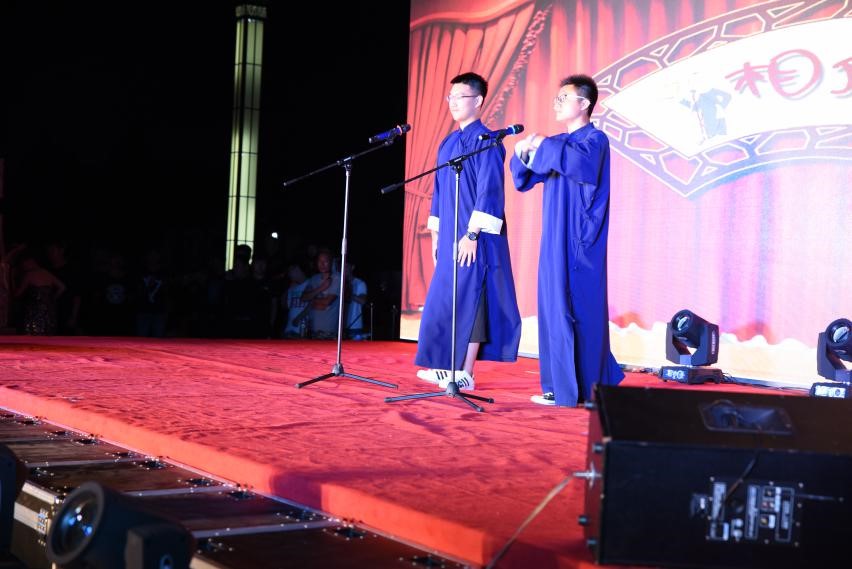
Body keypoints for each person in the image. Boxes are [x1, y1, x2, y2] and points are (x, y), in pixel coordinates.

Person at [510, 74, 624, 407]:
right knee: (552, 306)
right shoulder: (558, 142)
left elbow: (578, 164)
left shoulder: (595, 140)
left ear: (584, 103)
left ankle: (587, 387)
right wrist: (522, 152)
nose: (557, 103)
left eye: (564, 98)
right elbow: (524, 177)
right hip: (554, 237)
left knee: (578, 308)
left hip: (580, 238)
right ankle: (557, 385)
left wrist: (541, 144)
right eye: (556, 98)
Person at [415, 72, 521, 391]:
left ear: (478, 100)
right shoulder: (448, 143)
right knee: (445, 298)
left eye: (460, 97)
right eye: (450, 97)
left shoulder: (487, 141)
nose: (453, 102)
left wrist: (472, 234)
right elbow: (439, 192)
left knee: (473, 298)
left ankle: (466, 372)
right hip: (450, 234)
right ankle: (444, 365)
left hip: (476, 236)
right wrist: (436, 235)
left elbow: (490, 191)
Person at [300, 250, 340, 339]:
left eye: (325, 261)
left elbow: (327, 302)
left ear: (331, 263)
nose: (322, 264)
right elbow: (303, 298)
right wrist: (321, 288)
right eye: (320, 261)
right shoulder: (314, 278)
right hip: (312, 330)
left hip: (329, 332)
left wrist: (312, 300)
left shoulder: (337, 278)